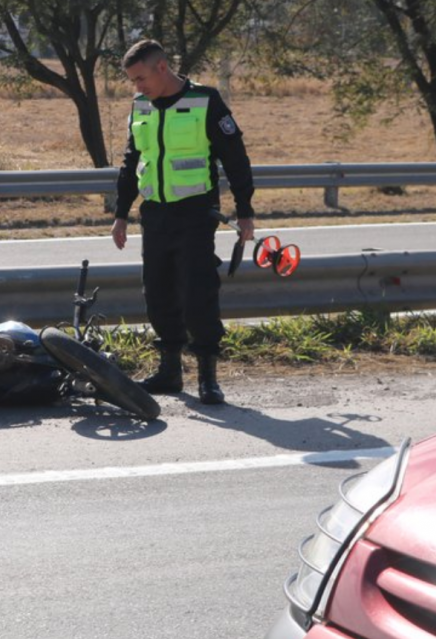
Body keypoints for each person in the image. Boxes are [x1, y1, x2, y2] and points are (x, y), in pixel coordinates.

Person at [111, 39, 256, 405]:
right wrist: (120, 214)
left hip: (195, 213)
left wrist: (245, 210)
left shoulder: (205, 101)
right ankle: (170, 371)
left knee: (197, 293)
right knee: (157, 292)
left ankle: (208, 376)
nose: (137, 86)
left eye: (140, 78)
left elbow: (235, 158)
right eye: (132, 80)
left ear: (162, 67)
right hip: (155, 214)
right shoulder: (141, 105)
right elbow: (131, 162)